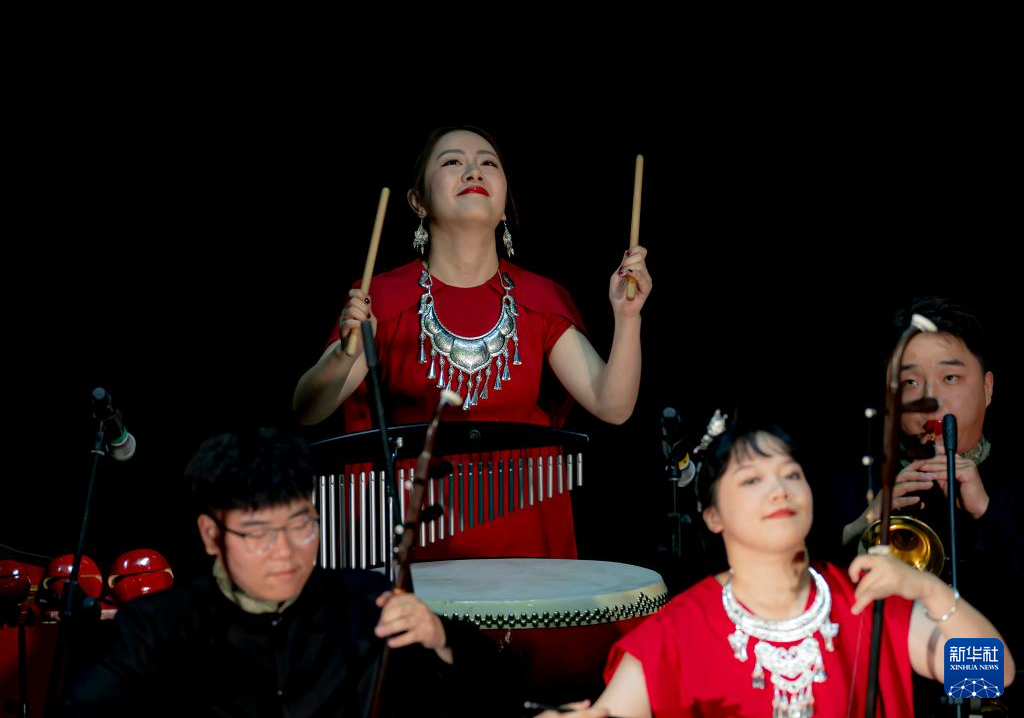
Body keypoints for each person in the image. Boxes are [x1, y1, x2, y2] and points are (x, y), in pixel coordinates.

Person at [293, 125, 652, 560]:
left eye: (488, 163)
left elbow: (612, 405)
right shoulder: (381, 297)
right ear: (418, 201)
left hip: (525, 543)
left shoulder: (540, 299)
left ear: (504, 203)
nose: (473, 171)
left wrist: (627, 318)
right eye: (452, 161)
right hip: (416, 542)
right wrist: (343, 355)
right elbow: (308, 409)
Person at [538, 419, 1015, 717]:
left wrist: (930, 591)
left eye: (791, 474)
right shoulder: (675, 631)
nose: (779, 489)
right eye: (752, 480)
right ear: (713, 515)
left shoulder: (867, 601)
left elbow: (989, 677)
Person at [64, 427, 508, 716]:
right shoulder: (154, 626)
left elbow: (490, 690)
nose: (285, 552)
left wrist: (440, 639)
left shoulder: (366, 600)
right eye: (258, 533)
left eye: (301, 526)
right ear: (211, 535)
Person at [821, 295, 1022, 713]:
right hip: (888, 698)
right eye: (910, 383)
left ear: (987, 389)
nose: (929, 399)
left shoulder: (1019, 479)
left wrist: (985, 513)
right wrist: (863, 523)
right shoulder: (855, 482)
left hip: (1000, 693)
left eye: (950, 378)